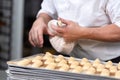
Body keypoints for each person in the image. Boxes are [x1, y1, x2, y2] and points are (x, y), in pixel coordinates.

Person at [29, 0, 120, 63]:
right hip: (69, 58)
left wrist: (82, 33)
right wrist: (41, 20)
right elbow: (48, 10)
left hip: (108, 61)